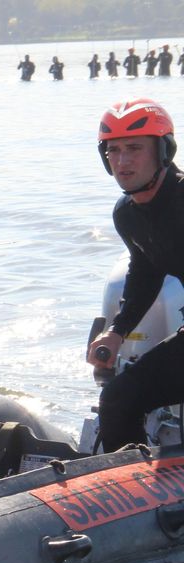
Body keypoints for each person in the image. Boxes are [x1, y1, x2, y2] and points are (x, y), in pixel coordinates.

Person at [86, 99, 184, 451]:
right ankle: (133, 489)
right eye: (113, 150)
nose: (123, 161)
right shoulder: (127, 213)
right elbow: (146, 270)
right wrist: (116, 332)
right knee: (118, 399)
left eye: (134, 148)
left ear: (163, 151)